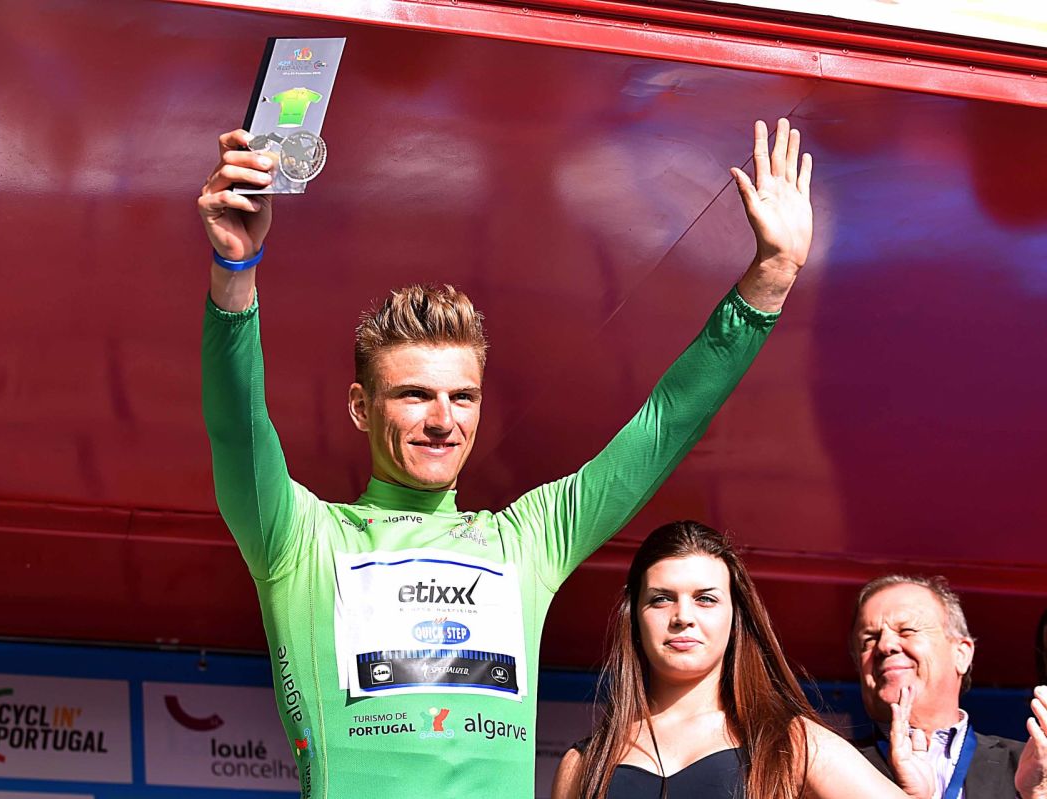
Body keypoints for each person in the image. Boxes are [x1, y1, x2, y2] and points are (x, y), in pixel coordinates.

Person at [197, 118, 812, 798]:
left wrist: (770, 279)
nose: (443, 420)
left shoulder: (528, 540)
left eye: (463, 397)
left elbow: (663, 425)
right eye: (414, 395)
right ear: (360, 407)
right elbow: (237, 427)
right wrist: (235, 272)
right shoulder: (301, 539)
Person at [551, 521, 933, 799]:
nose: (683, 616)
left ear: (736, 619)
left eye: (705, 599)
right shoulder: (583, 764)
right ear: (635, 616)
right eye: (662, 598)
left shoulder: (790, 742)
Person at [851, 574, 1047, 798]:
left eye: (907, 631)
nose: (885, 645)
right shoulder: (832, 771)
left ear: (961, 654)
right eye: (869, 640)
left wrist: (1038, 793)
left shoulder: (1034, 768)